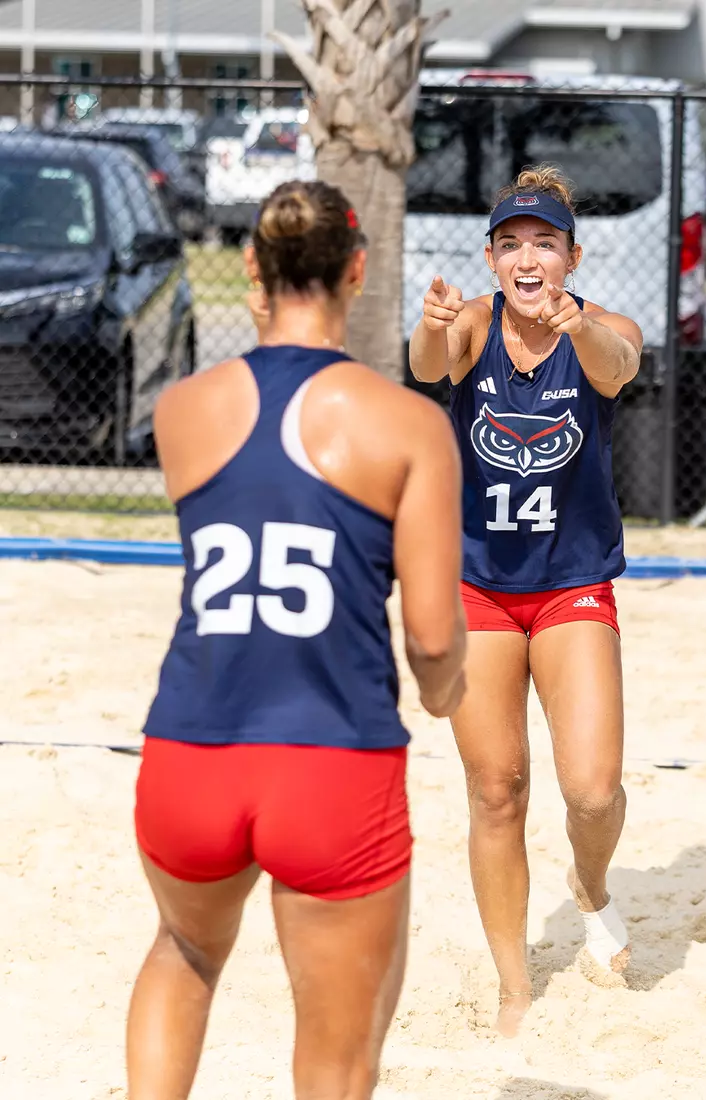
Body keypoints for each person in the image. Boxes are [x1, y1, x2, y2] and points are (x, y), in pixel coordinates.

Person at [128, 179, 467, 1100]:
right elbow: (433, 639)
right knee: (337, 1056)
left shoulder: (182, 410)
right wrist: (446, 697)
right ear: (357, 270)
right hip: (330, 754)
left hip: (189, 745)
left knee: (185, 952)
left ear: (254, 270)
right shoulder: (408, 423)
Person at [409, 165, 643, 1035]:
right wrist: (430, 327)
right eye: (511, 243)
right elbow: (430, 358)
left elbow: (617, 370)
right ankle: (513, 987)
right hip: (478, 586)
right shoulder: (475, 320)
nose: (527, 257)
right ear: (494, 258)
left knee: (591, 790)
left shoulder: (603, 329)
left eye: (544, 241)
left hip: (573, 583)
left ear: (571, 256)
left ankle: (593, 886)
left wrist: (577, 327)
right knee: (497, 789)